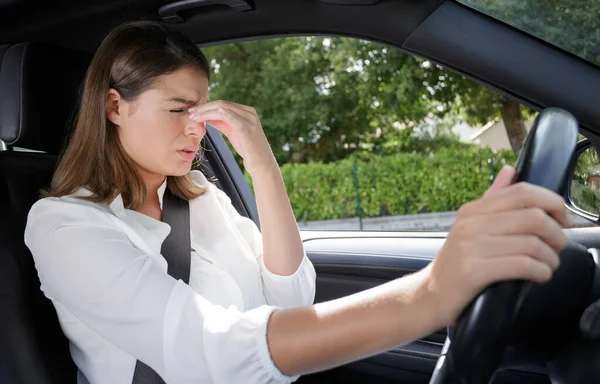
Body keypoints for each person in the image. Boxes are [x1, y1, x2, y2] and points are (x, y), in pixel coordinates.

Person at [24, 20, 569, 384]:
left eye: (202, 111)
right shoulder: (65, 227)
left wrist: (262, 164)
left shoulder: (200, 199)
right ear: (116, 107)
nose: (197, 129)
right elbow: (208, 351)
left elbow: (290, 295)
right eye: (177, 109)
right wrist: (430, 293)